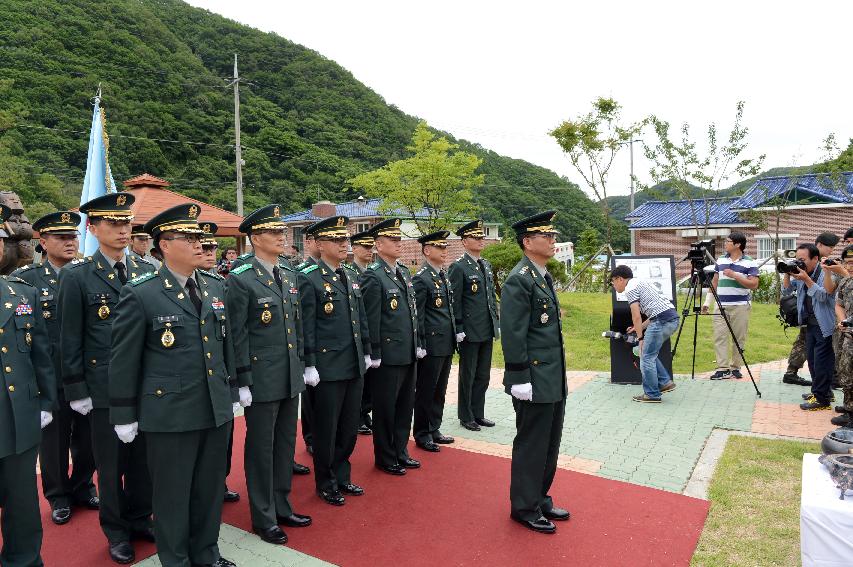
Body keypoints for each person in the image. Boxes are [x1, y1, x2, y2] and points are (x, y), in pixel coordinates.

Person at [109, 204, 238, 567]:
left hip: (214, 407)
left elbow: (223, 345)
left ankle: (206, 553)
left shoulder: (214, 286)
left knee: (209, 490)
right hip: (169, 413)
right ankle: (176, 560)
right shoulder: (141, 293)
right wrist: (124, 413)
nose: (200, 244)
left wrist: (232, 392)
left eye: (201, 237)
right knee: (171, 495)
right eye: (190, 237)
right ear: (164, 244)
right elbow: (124, 360)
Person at [59, 192, 155, 564]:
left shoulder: (146, 273)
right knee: (111, 465)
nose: (122, 230)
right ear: (92, 228)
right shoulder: (77, 276)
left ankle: (140, 517)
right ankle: (116, 530)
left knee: (144, 461)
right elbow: (70, 338)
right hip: (103, 390)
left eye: (126, 223)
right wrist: (77, 389)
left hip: (146, 385)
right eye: (113, 223)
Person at [226, 205, 312, 544]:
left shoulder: (288, 274)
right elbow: (237, 335)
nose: (281, 237)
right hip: (261, 378)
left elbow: (297, 327)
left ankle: (282, 504)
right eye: (274, 232)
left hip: (289, 375)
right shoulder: (241, 278)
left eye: (282, 232)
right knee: (261, 448)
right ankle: (263, 516)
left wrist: (304, 365)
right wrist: (242, 380)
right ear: (256, 237)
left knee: (285, 446)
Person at [13, 211, 98, 527]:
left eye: (73, 236)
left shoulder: (89, 274)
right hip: (51, 377)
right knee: (54, 442)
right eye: (61, 237)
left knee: (90, 440)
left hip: (88, 375)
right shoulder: (28, 280)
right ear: (43, 241)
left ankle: (83, 485)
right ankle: (58, 495)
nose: (70, 242)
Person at [501, 211, 569, 534]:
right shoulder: (519, 279)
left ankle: (539, 497)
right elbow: (513, 334)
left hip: (552, 377)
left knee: (549, 442)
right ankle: (524, 506)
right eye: (546, 236)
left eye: (553, 235)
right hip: (533, 378)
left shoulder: (541, 275)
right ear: (528, 242)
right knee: (532, 443)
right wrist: (519, 377)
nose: (553, 240)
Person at [298, 216, 371, 505]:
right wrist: (310, 363)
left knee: (349, 426)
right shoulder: (309, 278)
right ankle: (325, 480)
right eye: (336, 240)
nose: (344, 244)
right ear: (319, 244)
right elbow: (307, 326)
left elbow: (360, 318)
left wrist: (366, 351)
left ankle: (343, 474)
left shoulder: (351, 275)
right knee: (326, 429)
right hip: (327, 368)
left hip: (353, 363)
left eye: (345, 239)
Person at [0, 203, 57, 566]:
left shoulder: (22, 294)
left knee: (21, 505)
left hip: (17, 418)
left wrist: (47, 404)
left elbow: (40, 356)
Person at [360, 218, 423, 476]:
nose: (398, 243)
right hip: (386, 356)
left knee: (405, 406)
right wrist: (373, 354)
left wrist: (417, 345)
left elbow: (412, 315)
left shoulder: (404, 273)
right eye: (392, 239)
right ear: (378, 244)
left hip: (407, 352)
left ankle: (400, 450)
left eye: (399, 239)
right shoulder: (373, 277)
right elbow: (370, 320)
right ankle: (386, 456)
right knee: (386, 409)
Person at [448, 220, 499, 431]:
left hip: (486, 328)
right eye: (475, 238)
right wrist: (458, 328)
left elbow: (490, 298)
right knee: (467, 375)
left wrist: (496, 322)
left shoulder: (485, 265)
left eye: (481, 237)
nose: (480, 240)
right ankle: (466, 415)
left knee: (483, 375)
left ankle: (478, 412)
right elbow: (455, 301)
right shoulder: (458, 267)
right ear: (464, 241)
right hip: (469, 331)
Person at [412, 231, 456, 453]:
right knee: (426, 390)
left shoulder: (442, 275)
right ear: (427, 250)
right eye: (440, 247)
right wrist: (420, 344)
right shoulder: (421, 278)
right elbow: (418, 316)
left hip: (446, 343)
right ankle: (421, 433)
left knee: (440, 390)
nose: (444, 250)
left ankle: (434, 427)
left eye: (445, 247)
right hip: (430, 345)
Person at [610, 265, 679, 402]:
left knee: (645, 355)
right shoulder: (640, 283)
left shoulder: (630, 288)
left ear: (620, 279)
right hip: (671, 319)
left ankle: (652, 394)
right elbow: (654, 313)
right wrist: (639, 327)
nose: (613, 285)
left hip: (662, 321)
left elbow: (636, 315)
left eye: (613, 281)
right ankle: (665, 382)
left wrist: (640, 338)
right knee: (650, 354)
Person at [782, 243, 836, 411]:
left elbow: (823, 296)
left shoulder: (826, 273)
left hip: (824, 324)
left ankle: (822, 400)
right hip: (809, 324)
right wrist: (787, 273)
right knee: (812, 361)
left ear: (815, 259)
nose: (800, 263)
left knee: (822, 362)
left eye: (803, 259)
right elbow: (786, 291)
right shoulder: (803, 273)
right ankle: (821, 392)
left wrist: (806, 279)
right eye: (797, 259)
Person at [701, 232, 759, 380]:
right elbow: (714, 281)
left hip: (740, 306)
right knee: (720, 337)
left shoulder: (750, 262)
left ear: (737, 244)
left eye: (728, 241)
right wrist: (707, 302)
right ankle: (722, 369)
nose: (725, 244)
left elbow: (754, 285)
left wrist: (735, 275)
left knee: (738, 339)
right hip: (720, 306)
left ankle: (735, 367)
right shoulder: (720, 260)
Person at [296, 225, 320, 455]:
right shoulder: (303, 273)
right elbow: (304, 321)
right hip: (315, 349)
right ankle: (311, 436)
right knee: (312, 399)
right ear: (310, 243)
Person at [349, 229, 374, 435]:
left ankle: (365, 413)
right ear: (354, 249)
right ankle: (358, 417)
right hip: (358, 334)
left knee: (371, 382)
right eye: (365, 246)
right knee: (362, 381)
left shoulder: (371, 271)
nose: (369, 250)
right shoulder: (351, 273)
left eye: (371, 246)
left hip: (371, 333)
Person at [831, 245, 853, 426]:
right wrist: (843, 320)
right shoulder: (845, 282)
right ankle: (849, 410)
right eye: (848, 262)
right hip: (849, 336)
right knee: (846, 373)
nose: (850, 266)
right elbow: (839, 304)